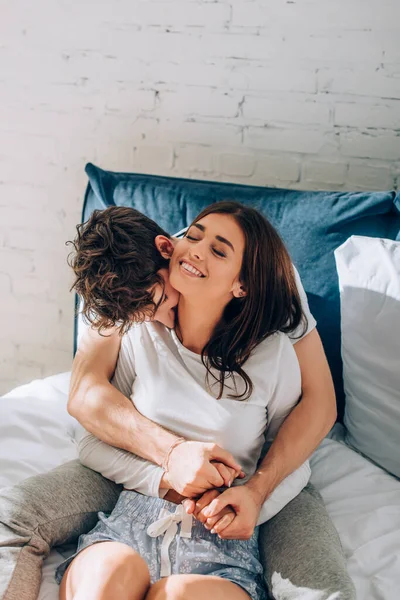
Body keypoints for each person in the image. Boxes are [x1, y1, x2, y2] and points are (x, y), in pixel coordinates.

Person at [0, 205, 356, 600]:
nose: (156, 317)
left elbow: (318, 407)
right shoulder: (131, 298)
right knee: (66, 553)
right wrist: (170, 464)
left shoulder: (270, 325)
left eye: (218, 250)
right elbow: (85, 397)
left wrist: (255, 492)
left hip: (230, 515)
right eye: (195, 236)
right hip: (140, 501)